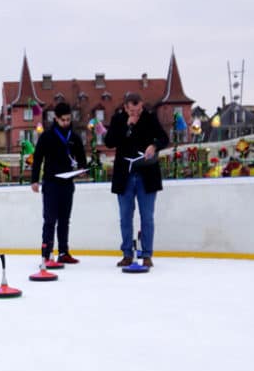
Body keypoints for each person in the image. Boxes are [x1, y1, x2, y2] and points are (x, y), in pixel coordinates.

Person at [103, 92, 170, 267]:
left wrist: (154, 146)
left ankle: (146, 254)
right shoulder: (118, 119)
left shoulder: (150, 117)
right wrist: (127, 127)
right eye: (132, 111)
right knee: (125, 216)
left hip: (147, 174)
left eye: (139, 110)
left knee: (147, 216)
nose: (136, 114)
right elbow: (109, 142)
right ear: (125, 108)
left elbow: (165, 138)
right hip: (124, 175)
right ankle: (127, 253)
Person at [30, 101, 88, 264]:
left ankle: (64, 252)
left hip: (67, 184)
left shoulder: (74, 137)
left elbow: (81, 157)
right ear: (56, 119)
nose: (66, 123)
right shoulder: (47, 137)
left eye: (68, 119)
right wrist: (34, 180)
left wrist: (83, 168)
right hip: (51, 183)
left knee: (64, 220)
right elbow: (38, 158)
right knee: (50, 220)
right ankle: (47, 254)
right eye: (63, 120)